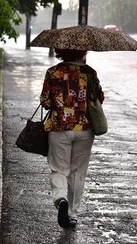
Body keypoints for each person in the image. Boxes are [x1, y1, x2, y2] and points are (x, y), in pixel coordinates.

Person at [39, 48, 104, 228]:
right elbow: (99, 98)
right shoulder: (90, 73)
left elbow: (45, 102)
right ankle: (72, 214)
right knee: (77, 172)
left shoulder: (53, 72)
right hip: (84, 128)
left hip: (59, 128)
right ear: (82, 51)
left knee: (59, 169)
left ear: (61, 52)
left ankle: (61, 199)